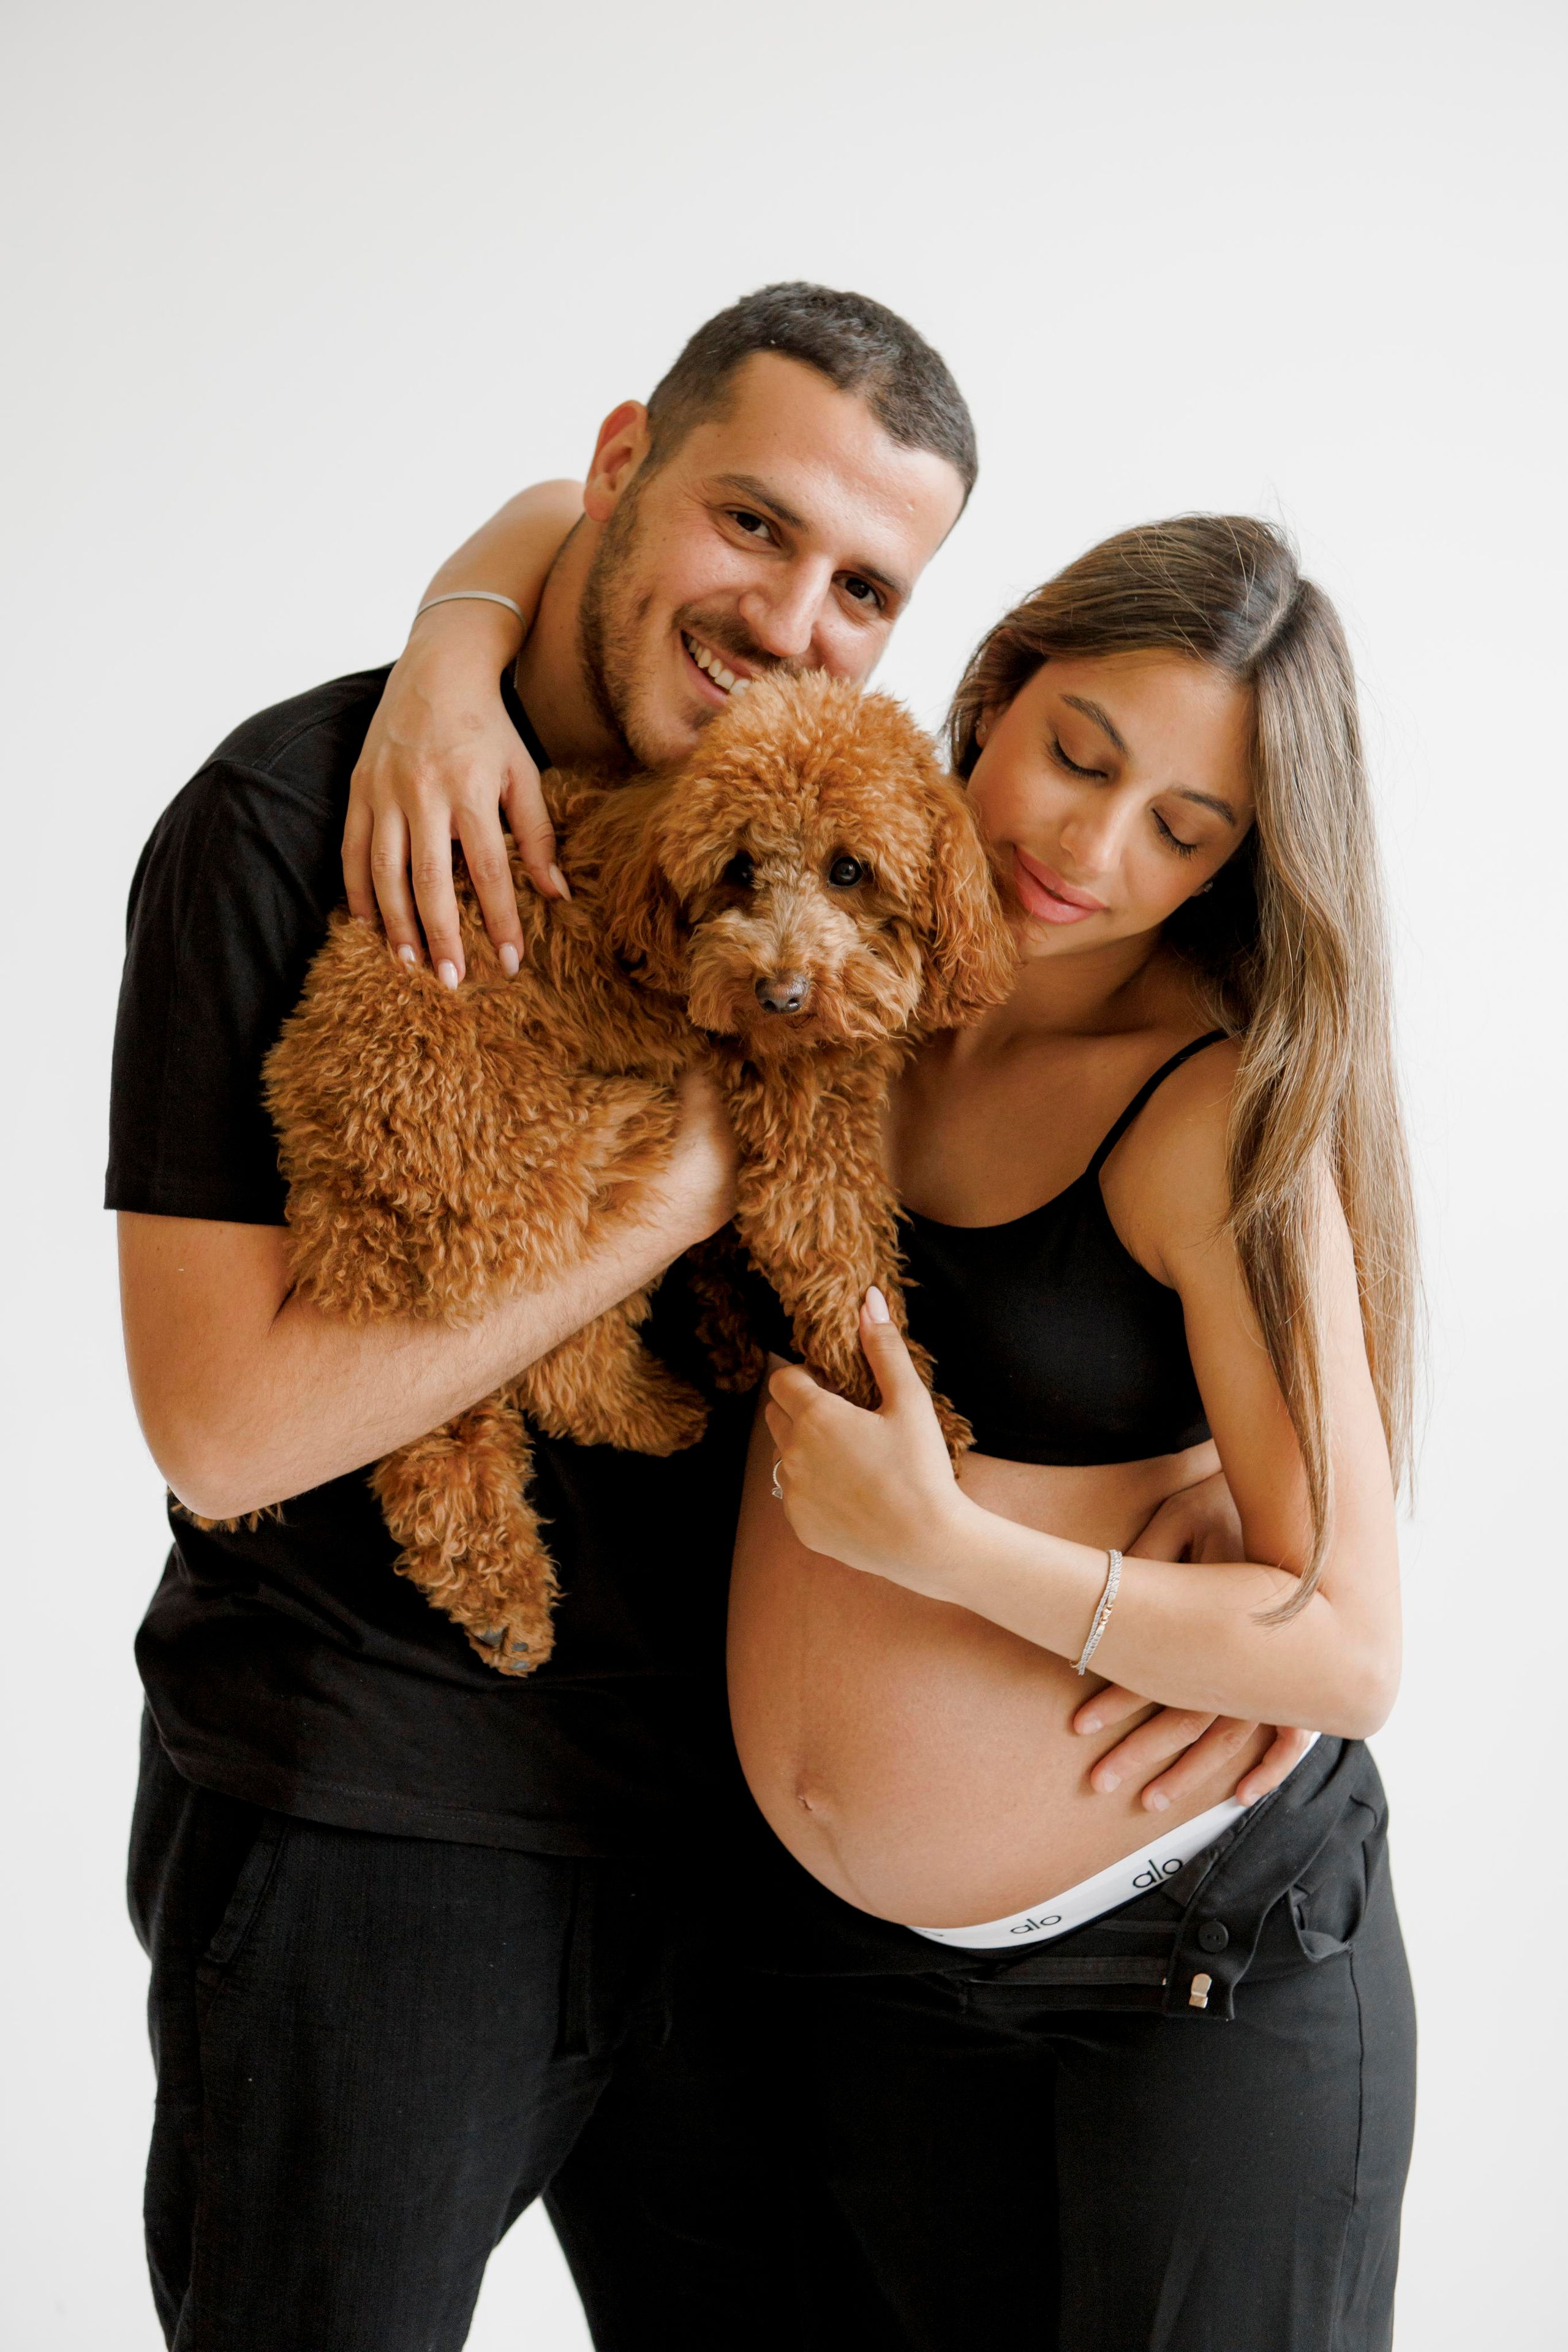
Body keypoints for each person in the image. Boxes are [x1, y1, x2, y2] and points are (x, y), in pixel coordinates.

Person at [109, 283, 1261, 2352]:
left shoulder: (864, 839)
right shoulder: (296, 820)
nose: (790, 618)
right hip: (385, 1825)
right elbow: (219, 1431)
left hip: (760, 1867)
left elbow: (1088, 1174)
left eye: (863, 590)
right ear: (623, 463)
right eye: (753, 524)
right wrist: (677, 1192)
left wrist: (1208, 1492)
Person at [353, 501, 1416, 2347]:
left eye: (1185, 828)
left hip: (1181, 1982)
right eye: (1077, 753)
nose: (1090, 849)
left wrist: (945, 1550)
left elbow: (1350, 1647)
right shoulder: (823, 940)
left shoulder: (1206, 1105)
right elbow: (597, 519)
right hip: (843, 1989)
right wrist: (443, 666)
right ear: (995, 688)